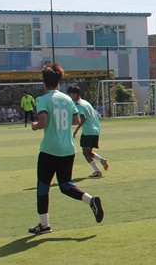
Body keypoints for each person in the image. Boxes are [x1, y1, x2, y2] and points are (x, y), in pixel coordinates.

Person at [29, 63, 103, 234]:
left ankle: (44, 225)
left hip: (50, 149)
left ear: (43, 81)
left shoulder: (42, 99)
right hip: (68, 148)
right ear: (58, 82)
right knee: (65, 184)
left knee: (43, 185)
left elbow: (42, 122)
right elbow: (76, 120)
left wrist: (34, 126)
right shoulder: (67, 99)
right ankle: (90, 200)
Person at [68, 85, 110, 178]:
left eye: (70, 94)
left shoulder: (78, 105)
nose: (70, 96)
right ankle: (101, 160)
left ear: (75, 94)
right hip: (95, 130)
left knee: (85, 152)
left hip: (88, 131)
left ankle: (97, 171)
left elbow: (83, 118)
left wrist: (75, 131)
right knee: (89, 151)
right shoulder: (85, 102)